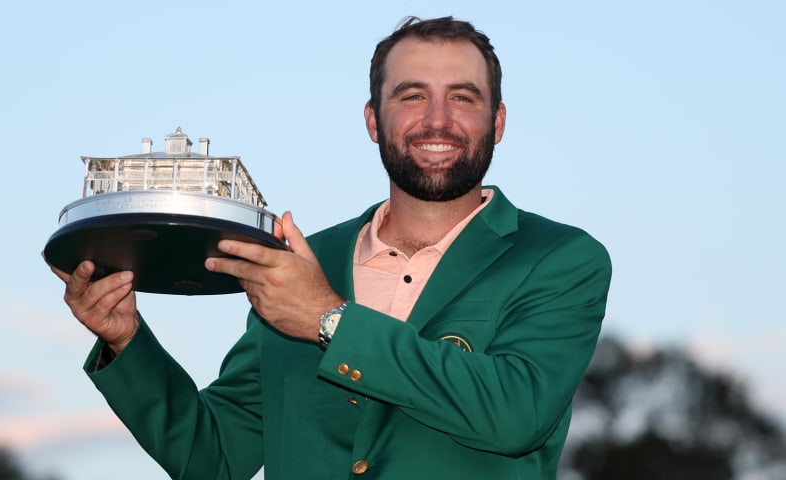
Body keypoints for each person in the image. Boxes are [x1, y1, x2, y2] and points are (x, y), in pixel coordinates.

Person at [49, 16, 611, 479]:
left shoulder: (559, 258)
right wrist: (126, 343)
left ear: (498, 121)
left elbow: (517, 413)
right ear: (373, 119)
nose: (437, 120)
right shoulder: (296, 264)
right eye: (411, 96)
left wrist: (328, 319)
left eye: (463, 97)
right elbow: (214, 458)